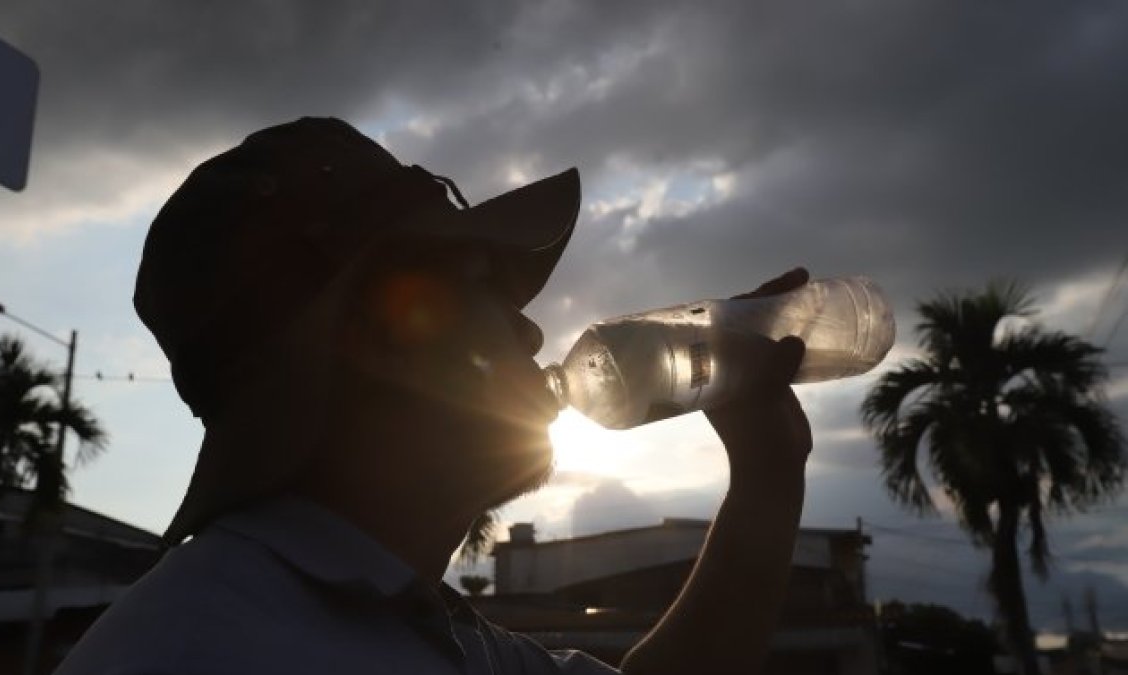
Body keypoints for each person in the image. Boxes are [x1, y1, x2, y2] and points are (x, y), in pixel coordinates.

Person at [55, 117, 811, 675]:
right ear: (382, 335)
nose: (531, 333)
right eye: (480, 284)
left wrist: (768, 474)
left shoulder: (414, 624)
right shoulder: (204, 647)